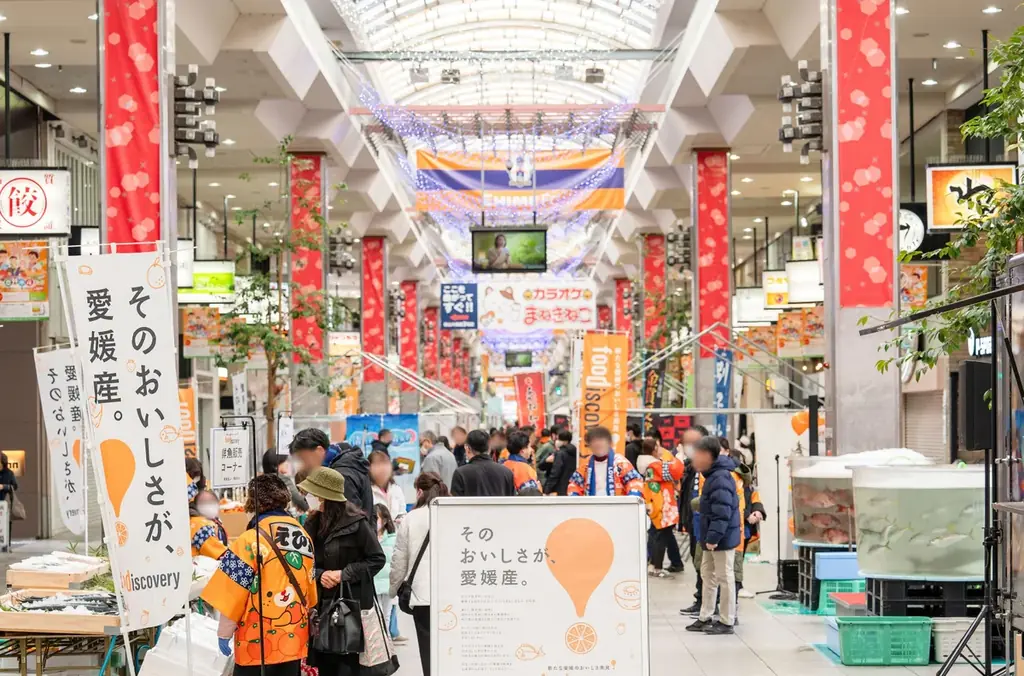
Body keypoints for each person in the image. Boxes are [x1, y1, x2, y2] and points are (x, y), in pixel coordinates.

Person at [202, 474, 318, 675]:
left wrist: (224, 633)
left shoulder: (248, 541)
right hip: (293, 637)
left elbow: (232, 593)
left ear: (253, 503)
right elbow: (310, 589)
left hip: (257, 643)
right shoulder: (303, 535)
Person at [301, 467, 391, 676]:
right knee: (325, 663)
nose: (309, 498)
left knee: (348, 665)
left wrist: (344, 574)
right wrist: (320, 574)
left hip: (351, 607)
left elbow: (376, 559)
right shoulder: (312, 523)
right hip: (321, 607)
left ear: (325, 497)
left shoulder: (357, 524)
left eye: (313, 494)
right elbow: (304, 562)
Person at [390, 472, 450, 676]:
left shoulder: (411, 518)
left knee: (428, 650)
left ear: (419, 492)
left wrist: (393, 589)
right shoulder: (452, 514)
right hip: (451, 594)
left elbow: (399, 559)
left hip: (422, 596)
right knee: (451, 650)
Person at [686, 437, 739, 635]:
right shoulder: (712, 475)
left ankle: (726, 621)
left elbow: (722, 512)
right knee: (707, 575)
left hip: (721, 539)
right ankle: (705, 616)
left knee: (725, 577)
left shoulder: (720, 477)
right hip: (711, 536)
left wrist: (714, 538)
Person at [289, 428, 373, 512]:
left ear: (319, 451)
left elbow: (348, 519)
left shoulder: (341, 475)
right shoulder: (340, 467)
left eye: (304, 459)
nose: (303, 466)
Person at [637, 438, 685, 578]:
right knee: (661, 535)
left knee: (661, 534)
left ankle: (663, 563)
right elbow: (676, 471)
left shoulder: (649, 464)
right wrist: (679, 456)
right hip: (662, 504)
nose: (661, 450)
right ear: (653, 450)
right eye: (658, 448)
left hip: (656, 503)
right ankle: (657, 567)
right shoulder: (654, 465)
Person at [678, 425, 708, 615]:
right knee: (698, 565)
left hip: (708, 524)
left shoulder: (713, 467)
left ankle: (708, 603)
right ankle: (700, 600)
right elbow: (685, 495)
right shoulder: (690, 467)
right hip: (693, 522)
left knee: (708, 567)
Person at [567, 426, 643, 497]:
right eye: (594, 442)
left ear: (609, 443)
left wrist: (632, 495)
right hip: (592, 507)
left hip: (616, 506)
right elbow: (574, 484)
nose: (598, 444)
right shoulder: (585, 465)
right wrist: (574, 495)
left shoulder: (620, 463)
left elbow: (634, 481)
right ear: (589, 445)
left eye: (601, 441)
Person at [450, 429, 515, 497]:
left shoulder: (460, 473)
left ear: (467, 448)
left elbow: (455, 505)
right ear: (489, 448)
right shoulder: (507, 472)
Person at [373, 504, 399, 643]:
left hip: (388, 584)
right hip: (374, 583)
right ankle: (379, 644)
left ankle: (387, 643)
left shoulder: (393, 538)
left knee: (386, 615)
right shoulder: (369, 538)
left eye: (376, 518)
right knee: (375, 616)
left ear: (384, 520)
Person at [263, 449, 309, 513]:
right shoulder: (282, 479)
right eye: (285, 461)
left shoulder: (263, 479)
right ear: (276, 465)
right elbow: (298, 500)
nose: (287, 464)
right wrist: (307, 508)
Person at [369, 450, 407, 522]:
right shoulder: (367, 491)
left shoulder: (396, 489)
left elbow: (403, 513)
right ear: (369, 468)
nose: (383, 469)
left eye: (385, 463)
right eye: (378, 464)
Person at [542, 429, 576, 496]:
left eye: (558, 439)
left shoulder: (560, 454)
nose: (556, 441)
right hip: (571, 488)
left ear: (565, 441)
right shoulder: (575, 452)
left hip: (560, 489)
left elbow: (555, 472)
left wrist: (547, 490)